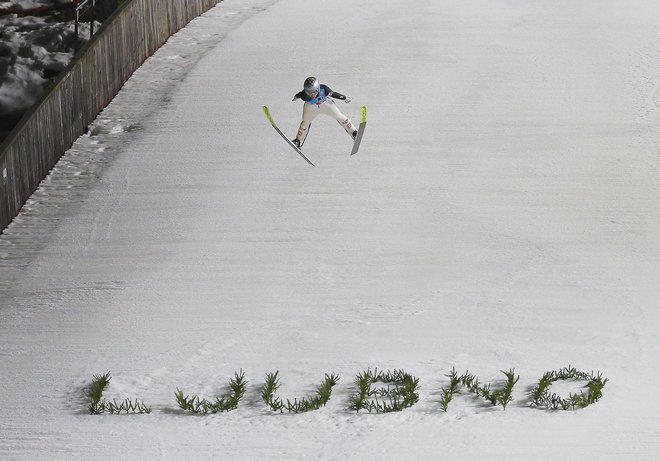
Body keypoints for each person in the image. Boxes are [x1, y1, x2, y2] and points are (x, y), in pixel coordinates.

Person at [291, 77, 357, 148]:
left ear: (318, 89)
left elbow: (335, 94)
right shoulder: (304, 95)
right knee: (305, 123)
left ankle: (354, 132)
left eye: (314, 91)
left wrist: (345, 98)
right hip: (311, 107)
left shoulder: (324, 89)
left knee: (340, 116)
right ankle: (298, 141)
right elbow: (298, 95)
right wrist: (295, 97)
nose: (312, 95)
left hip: (325, 104)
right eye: (309, 92)